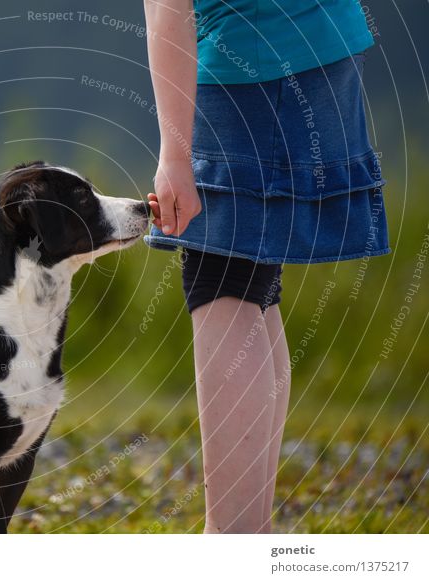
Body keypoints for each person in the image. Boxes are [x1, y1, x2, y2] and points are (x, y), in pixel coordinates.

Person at [142, 0, 389, 533]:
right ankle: (249, 530)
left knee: (221, 279)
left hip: (250, 60)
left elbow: (168, 11)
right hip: (323, 45)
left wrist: (176, 158)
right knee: (252, 280)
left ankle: (232, 538)